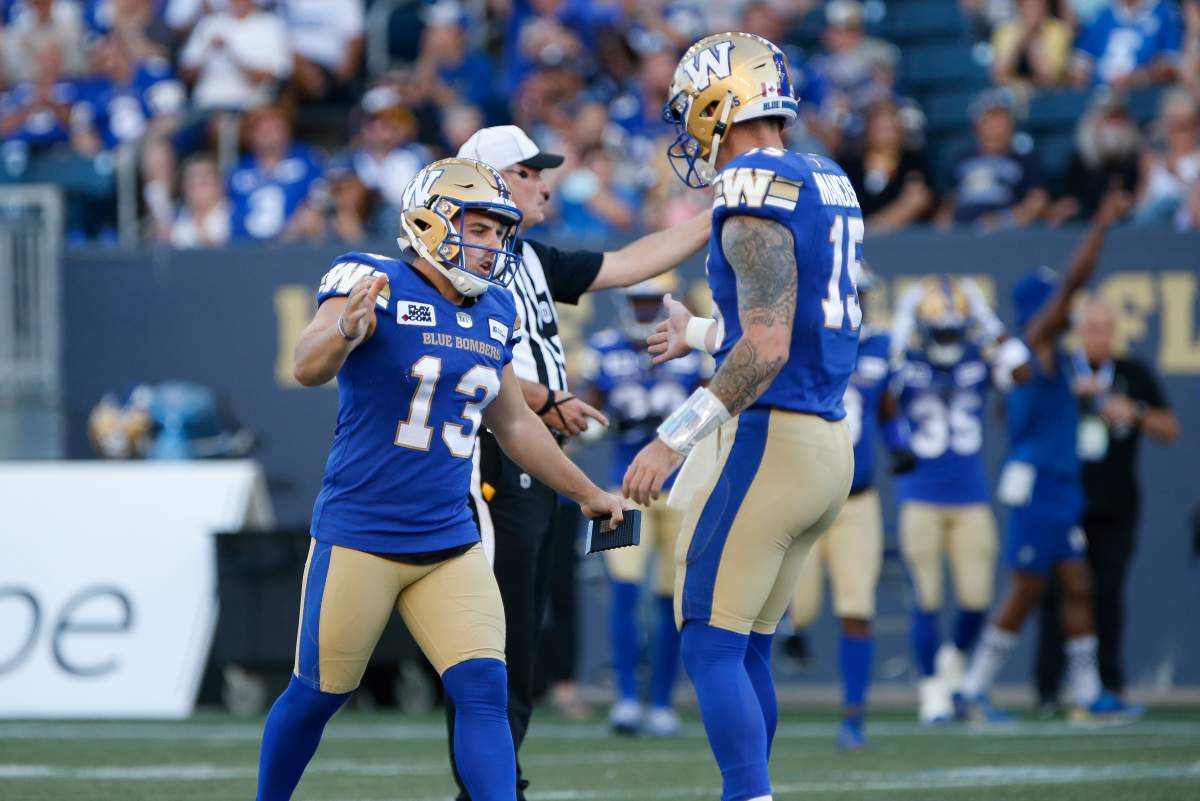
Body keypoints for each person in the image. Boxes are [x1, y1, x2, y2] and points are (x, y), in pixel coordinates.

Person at [253, 157, 628, 801]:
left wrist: (587, 493)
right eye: (478, 229)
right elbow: (307, 366)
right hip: (362, 536)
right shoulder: (373, 280)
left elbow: (515, 424)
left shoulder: (496, 308)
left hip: (449, 539)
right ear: (431, 223)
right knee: (319, 694)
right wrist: (345, 329)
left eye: (499, 233)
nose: (492, 246)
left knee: (484, 688)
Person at [624, 31, 861, 801]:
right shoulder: (823, 175)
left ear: (718, 105)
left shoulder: (753, 186)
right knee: (747, 643)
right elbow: (792, 319)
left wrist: (672, 438)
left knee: (708, 642)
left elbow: (767, 345)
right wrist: (698, 331)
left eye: (690, 111)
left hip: (772, 441)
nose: (686, 131)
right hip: (826, 444)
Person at [449, 124, 709, 801]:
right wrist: (545, 397)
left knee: (522, 632)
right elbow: (463, 354)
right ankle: (489, 787)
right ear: (490, 180)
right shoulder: (461, 258)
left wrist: (720, 213)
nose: (544, 184)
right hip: (493, 451)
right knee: (494, 634)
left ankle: (498, 781)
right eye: (529, 172)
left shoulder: (529, 256)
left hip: (538, 452)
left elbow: (630, 262)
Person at [959, 191, 1144, 723]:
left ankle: (1089, 693)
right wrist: (1101, 224)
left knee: (1077, 584)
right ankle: (972, 689)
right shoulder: (1038, 342)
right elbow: (1074, 283)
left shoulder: (1047, 356)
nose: (1067, 310)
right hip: (1040, 485)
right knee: (1025, 590)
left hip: (1059, 486)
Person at [889, 276, 1030, 724]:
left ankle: (952, 660)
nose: (948, 340)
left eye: (955, 331)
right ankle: (931, 690)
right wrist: (901, 320)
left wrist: (988, 319)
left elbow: (1022, 371)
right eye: (941, 331)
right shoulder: (906, 362)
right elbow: (882, 383)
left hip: (970, 497)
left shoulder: (977, 359)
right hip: (920, 497)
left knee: (976, 598)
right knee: (926, 599)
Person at [786, 265, 914, 750]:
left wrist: (900, 444)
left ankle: (854, 717)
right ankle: (785, 647)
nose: (854, 304)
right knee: (792, 606)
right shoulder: (801, 340)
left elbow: (887, 409)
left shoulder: (879, 347)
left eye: (860, 294)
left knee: (856, 607)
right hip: (805, 495)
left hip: (857, 500)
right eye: (847, 294)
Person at [579, 276, 710, 737]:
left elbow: (717, 405)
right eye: (638, 301)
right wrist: (602, 424)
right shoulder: (604, 348)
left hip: (682, 490)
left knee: (671, 597)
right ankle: (627, 698)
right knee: (623, 589)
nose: (643, 310)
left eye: (651, 302)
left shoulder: (693, 349)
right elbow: (587, 413)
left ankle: (662, 702)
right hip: (623, 488)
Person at [1034, 296, 1179, 711]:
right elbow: (1020, 413)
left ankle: (1108, 683)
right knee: (1056, 592)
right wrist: (1067, 402)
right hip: (1064, 498)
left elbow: (1170, 428)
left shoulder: (1132, 373)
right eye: (1093, 328)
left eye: (1106, 328)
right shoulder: (1060, 371)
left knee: (1108, 593)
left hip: (1115, 503)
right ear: (1078, 332)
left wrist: (1135, 411)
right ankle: (1048, 687)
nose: (1100, 337)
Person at [937, 89, 1049, 231]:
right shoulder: (961, 159)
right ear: (977, 126)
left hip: (1004, 235)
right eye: (991, 120)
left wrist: (1005, 220)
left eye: (1002, 120)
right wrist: (945, 225)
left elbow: (1038, 201)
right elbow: (950, 200)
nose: (997, 128)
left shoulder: (1026, 161)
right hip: (961, 232)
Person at [226, 103, 324, 242]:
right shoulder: (239, 171)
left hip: (295, 244)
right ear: (250, 134)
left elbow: (322, 190)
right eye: (264, 130)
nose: (271, 135)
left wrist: (309, 212)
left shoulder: (307, 159)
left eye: (276, 128)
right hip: (245, 247)